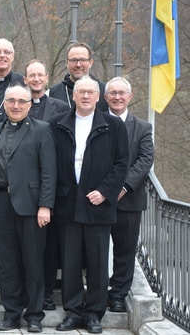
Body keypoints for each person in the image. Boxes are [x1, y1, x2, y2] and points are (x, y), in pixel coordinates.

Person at [49, 76, 129, 334]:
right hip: (67, 204)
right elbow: (51, 163)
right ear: (73, 96)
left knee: (97, 263)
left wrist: (105, 192)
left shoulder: (114, 125)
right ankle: (73, 312)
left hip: (98, 205)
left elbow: (121, 163)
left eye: (90, 92)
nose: (85, 96)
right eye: (81, 92)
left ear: (98, 97)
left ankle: (94, 313)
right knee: (70, 264)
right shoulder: (57, 124)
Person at [0, 85, 57, 333]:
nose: (16, 106)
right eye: (11, 101)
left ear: (29, 105)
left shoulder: (42, 130)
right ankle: (11, 314)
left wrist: (45, 205)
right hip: (1, 203)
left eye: (21, 101)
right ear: (4, 104)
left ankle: (35, 315)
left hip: (31, 205)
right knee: (7, 263)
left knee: (33, 261)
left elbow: (49, 171)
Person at [104, 77, 154, 313]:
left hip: (129, 200)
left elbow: (145, 160)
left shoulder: (143, 127)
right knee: (96, 249)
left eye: (121, 93)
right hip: (98, 199)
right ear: (105, 98)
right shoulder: (97, 123)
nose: (117, 97)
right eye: (112, 93)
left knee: (125, 251)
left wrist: (121, 187)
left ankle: (118, 294)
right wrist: (105, 189)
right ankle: (96, 292)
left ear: (130, 97)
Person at [23, 59, 69, 311]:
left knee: (50, 246)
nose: (36, 79)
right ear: (25, 79)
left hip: (52, 187)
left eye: (40, 75)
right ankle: (25, 292)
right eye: (32, 75)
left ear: (47, 78)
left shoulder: (61, 108)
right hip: (23, 189)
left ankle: (47, 292)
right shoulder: (18, 104)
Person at [48, 42, 108, 112]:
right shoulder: (53, 93)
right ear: (67, 63)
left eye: (82, 60)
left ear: (90, 62)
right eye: (74, 60)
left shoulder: (104, 91)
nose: (78, 65)